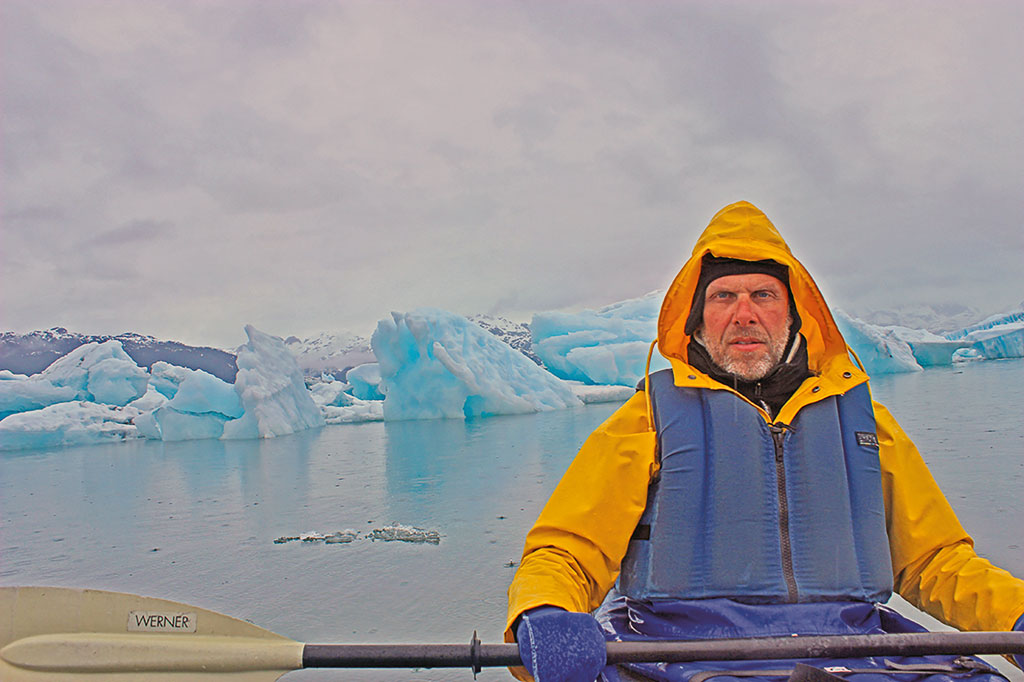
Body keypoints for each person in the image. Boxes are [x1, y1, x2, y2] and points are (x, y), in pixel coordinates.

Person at [505, 201, 1024, 682]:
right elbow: (568, 551)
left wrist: (1014, 613)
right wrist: (545, 611)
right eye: (723, 296)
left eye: (764, 295)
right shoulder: (647, 419)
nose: (744, 313)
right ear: (698, 319)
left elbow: (934, 561)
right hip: (678, 651)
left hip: (853, 649)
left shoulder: (868, 423)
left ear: (794, 314)